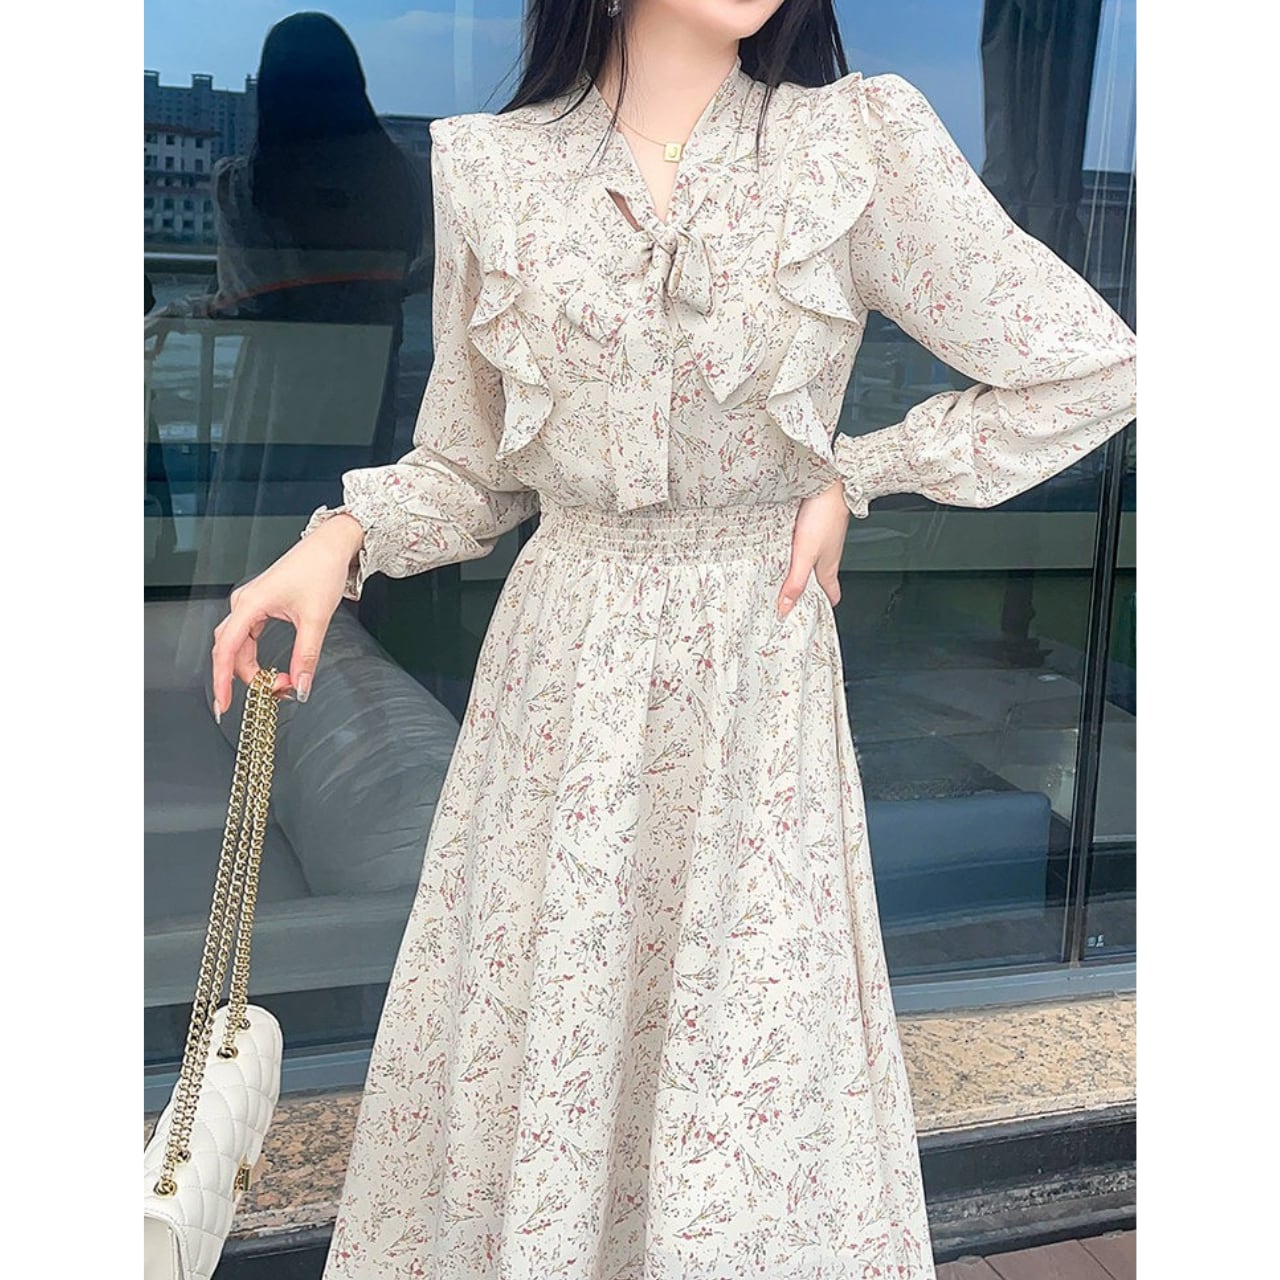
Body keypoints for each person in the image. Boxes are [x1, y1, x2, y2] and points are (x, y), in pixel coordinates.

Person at [210, 1, 1136, 1275]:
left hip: (754, 679)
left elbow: (1088, 366)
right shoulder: (488, 167)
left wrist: (858, 470)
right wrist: (340, 539)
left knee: (738, 1070)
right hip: (561, 687)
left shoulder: (850, 146)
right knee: (547, 1043)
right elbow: (472, 465)